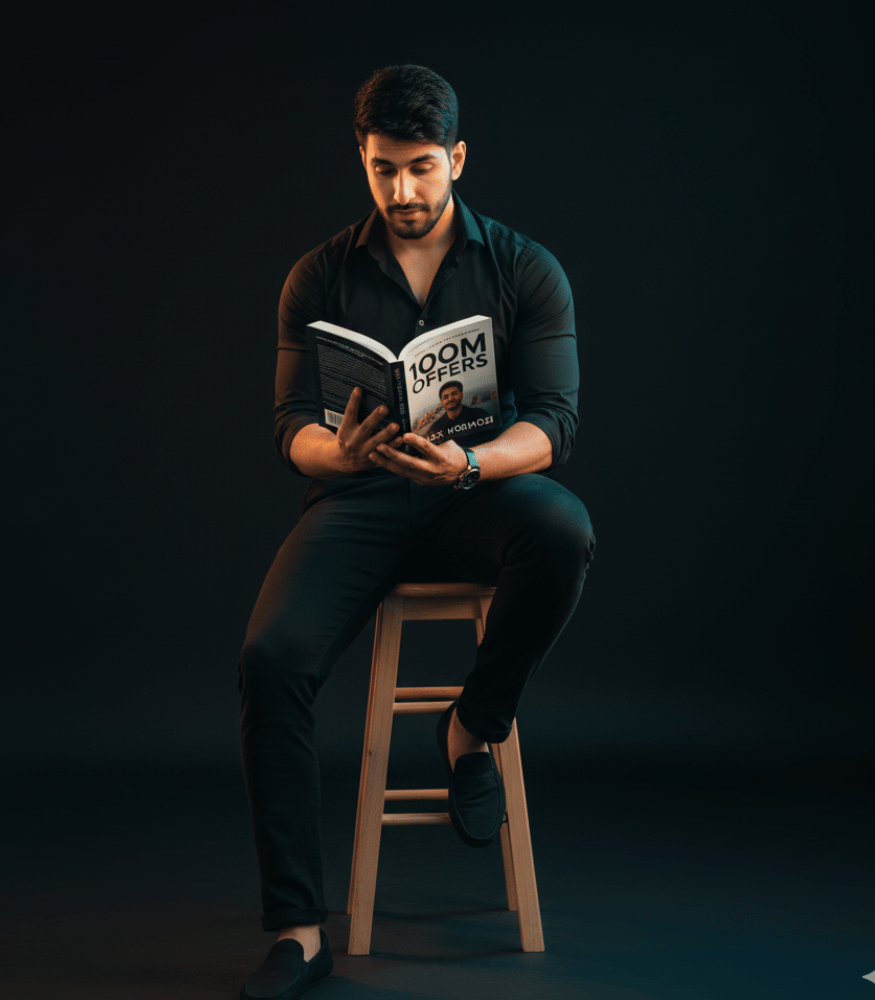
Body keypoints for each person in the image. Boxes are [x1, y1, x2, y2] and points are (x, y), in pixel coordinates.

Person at [237, 65, 595, 1000]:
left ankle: (474, 722)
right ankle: (299, 931)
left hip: (472, 495)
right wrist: (338, 454)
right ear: (363, 159)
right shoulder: (317, 274)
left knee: (562, 531)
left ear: (458, 160)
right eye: (383, 169)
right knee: (270, 662)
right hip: (360, 504)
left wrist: (471, 465)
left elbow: (553, 423)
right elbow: (290, 430)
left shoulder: (524, 267)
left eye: (422, 169)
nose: (402, 192)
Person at [423, 380, 495, 444]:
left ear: (461, 395)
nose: (450, 399)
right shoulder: (435, 428)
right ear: (442, 402)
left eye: (454, 393)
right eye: (445, 397)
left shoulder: (480, 414)